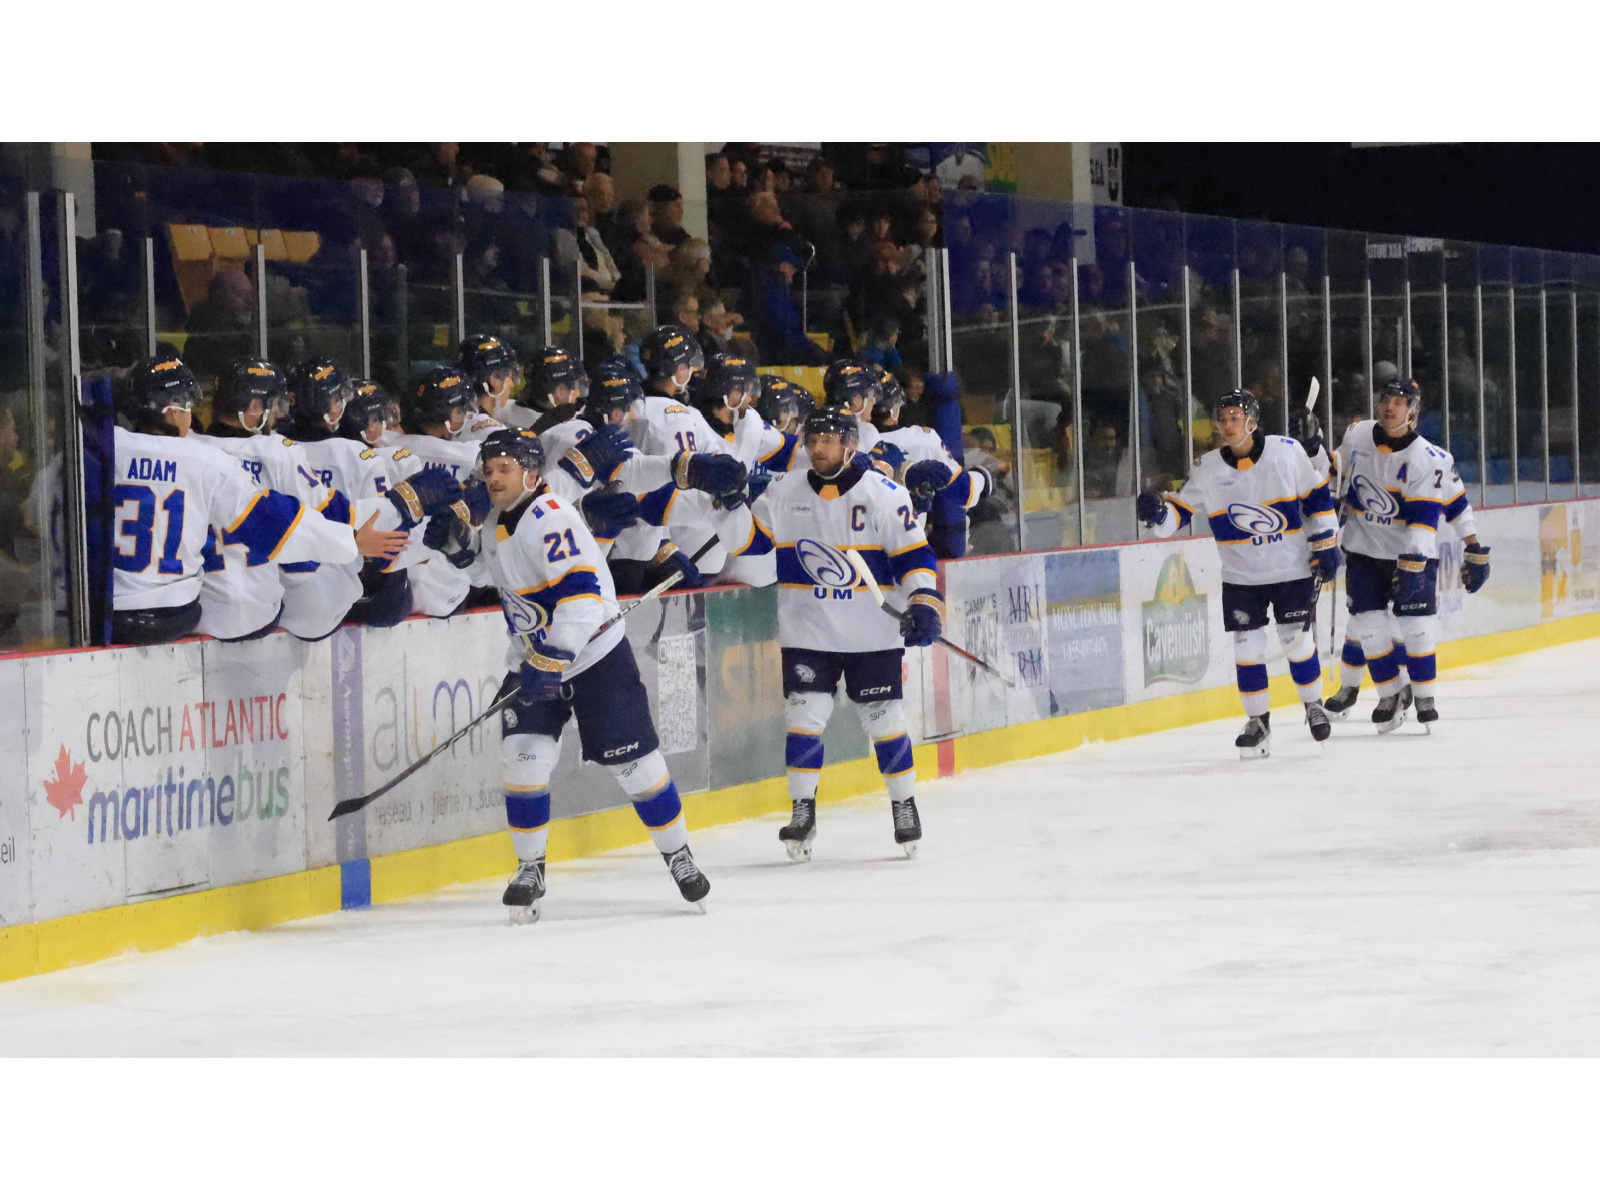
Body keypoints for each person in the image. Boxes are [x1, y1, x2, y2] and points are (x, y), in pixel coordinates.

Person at [459, 429, 711, 922]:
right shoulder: (494, 524)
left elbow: (582, 596)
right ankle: (530, 868)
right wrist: (456, 553)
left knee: (637, 768)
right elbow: (492, 578)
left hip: (594, 658)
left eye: (503, 468)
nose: (492, 478)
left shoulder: (549, 517)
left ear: (531, 474)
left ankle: (679, 855)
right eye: (487, 470)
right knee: (522, 762)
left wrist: (556, 656)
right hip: (534, 660)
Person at [740, 405, 944, 859]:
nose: (817, 448)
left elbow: (915, 556)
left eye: (828, 441)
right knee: (803, 719)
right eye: (812, 441)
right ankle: (802, 810)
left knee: (885, 721)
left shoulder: (884, 494)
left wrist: (924, 600)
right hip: (807, 630)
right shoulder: (784, 490)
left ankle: (903, 804)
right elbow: (747, 536)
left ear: (851, 445)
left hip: (870, 634)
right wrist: (733, 499)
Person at [109, 356, 420, 646]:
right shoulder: (209, 460)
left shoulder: (109, 445)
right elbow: (276, 524)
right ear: (171, 410)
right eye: (188, 406)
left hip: (114, 611)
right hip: (208, 613)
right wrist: (351, 539)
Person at [1136, 389, 1339, 758]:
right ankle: (1259, 722)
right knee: (1247, 649)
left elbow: (1318, 498)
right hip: (1241, 576)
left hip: (1291, 569)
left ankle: (1313, 705)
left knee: (1296, 642)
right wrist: (1155, 513)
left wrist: (1326, 543)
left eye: (1235, 418)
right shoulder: (1207, 467)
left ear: (1252, 422)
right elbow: (1175, 517)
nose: (1227, 425)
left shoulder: (1286, 452)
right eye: (1222, 418)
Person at [189, 357, 411, 640]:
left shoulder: (192, 448)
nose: (278, 415)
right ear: (255, 407)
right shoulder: (278, 450)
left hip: (199, 602)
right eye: (274, 405)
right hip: (266, 605)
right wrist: (358, 535)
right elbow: (327, 512)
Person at [1325, 379, 1491, 730]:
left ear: (1412, 411)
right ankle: (1389, 693)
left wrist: (1474, 548)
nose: (1389, 407)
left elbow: (1444, 511)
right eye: (1385, 400)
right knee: (1367, 626)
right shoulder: (1357, 434)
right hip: (1364, 551)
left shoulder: (1430, 459)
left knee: (1415, 628)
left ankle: (1425, 695)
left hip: (1410, 556)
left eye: (1399, 402)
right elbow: (1332, 474)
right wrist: (1312, 447)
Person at [457, 333, 527, 433]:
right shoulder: (494, 432)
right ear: (494, 379)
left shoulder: (451, 422)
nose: (511, 384)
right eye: (509, 376)